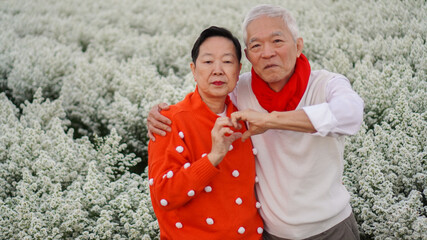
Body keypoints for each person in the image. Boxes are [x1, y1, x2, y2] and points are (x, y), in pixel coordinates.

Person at [147, 5, 364, 240]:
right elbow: (205, 98)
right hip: (271, 233)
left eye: (277, 41)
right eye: (256, 45)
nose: (268, 53)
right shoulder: (239, 89)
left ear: (299, 45)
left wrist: (270, 120)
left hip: (332, 228)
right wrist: (160, 113)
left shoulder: (325, 84)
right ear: (248, 57)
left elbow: (349, 115)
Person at [147, 26, 263, 239]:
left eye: (227, 62)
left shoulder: (247, 117)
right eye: (208, 62)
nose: (218, 70)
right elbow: (164, 195)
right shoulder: (169, 120)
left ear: (238, 70)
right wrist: (213, 158)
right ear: (193, 69)